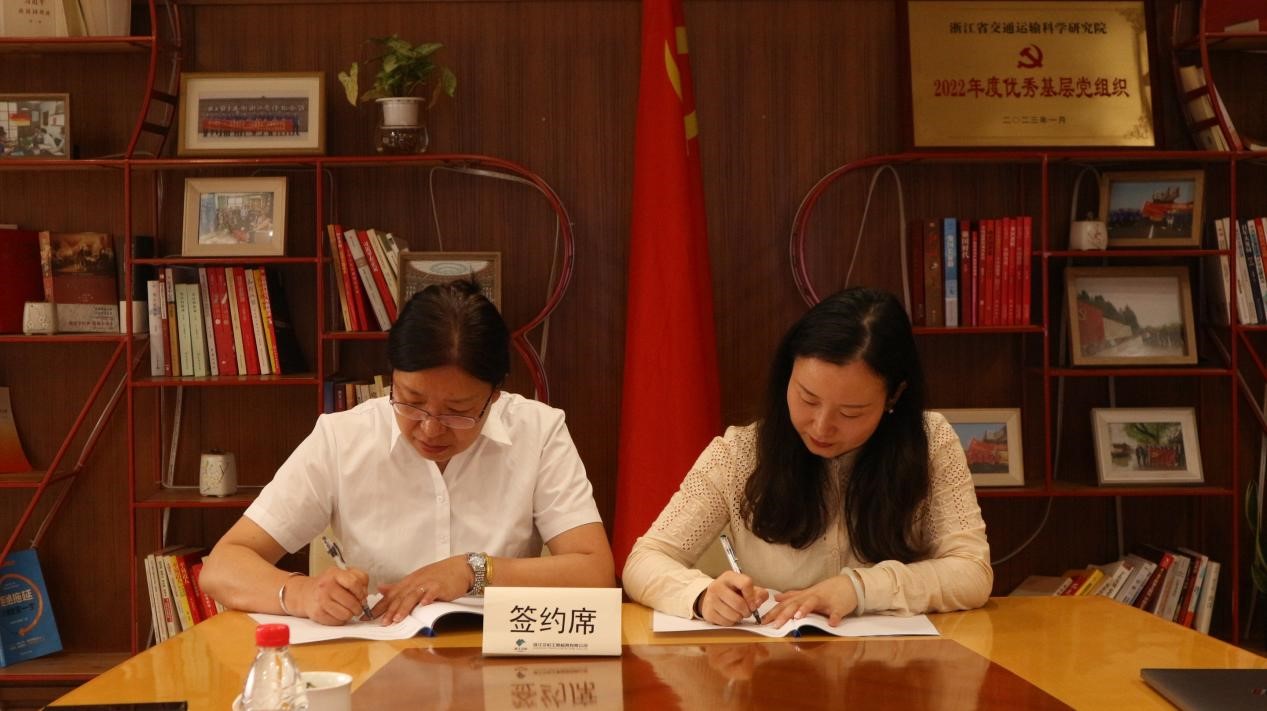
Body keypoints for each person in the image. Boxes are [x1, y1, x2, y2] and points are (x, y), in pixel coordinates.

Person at [201, 280, 615, 625]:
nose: (430, 429)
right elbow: (223, 565)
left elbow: (594, 571)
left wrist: (472, 570)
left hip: (499, 661)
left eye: (457, 412)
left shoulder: (538, 432)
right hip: (377, 660)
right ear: (392, 378)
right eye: (412, 402)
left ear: (494, 395)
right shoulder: (342, 438)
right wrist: (302, 593)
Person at [622, 287, 991, 627]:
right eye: (807, 398)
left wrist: (859, 588)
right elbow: (645, 559)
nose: (821, 426)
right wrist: (701, 596)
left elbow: (972, 572)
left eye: (850, 412)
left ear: (893, 397)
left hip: (897, 666)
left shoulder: (930, 444)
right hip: (772, 664)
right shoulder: (740, 453)